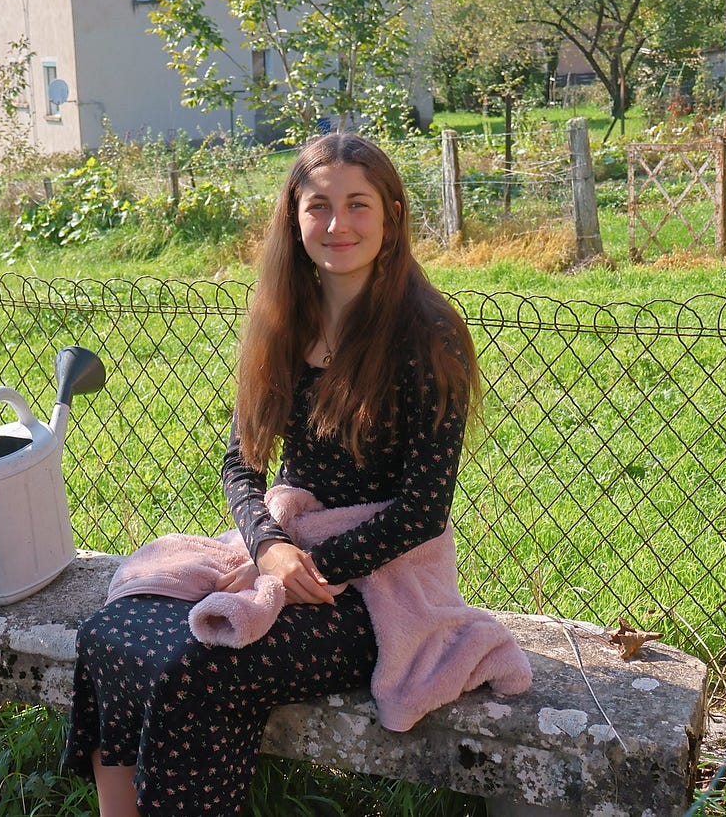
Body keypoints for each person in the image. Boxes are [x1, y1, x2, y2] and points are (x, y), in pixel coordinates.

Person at [63, 131, 481, 816]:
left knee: (198, 665)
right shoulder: (284, 320)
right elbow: (241, 462)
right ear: (294, 216)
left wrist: (308, 568)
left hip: (379, 583)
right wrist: (269, 547)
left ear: (393, 215)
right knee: (112, 632)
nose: (338, 224)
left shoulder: (428, 336)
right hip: (284, 549)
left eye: (358, 205)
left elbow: (422, 511)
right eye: (319, 206)